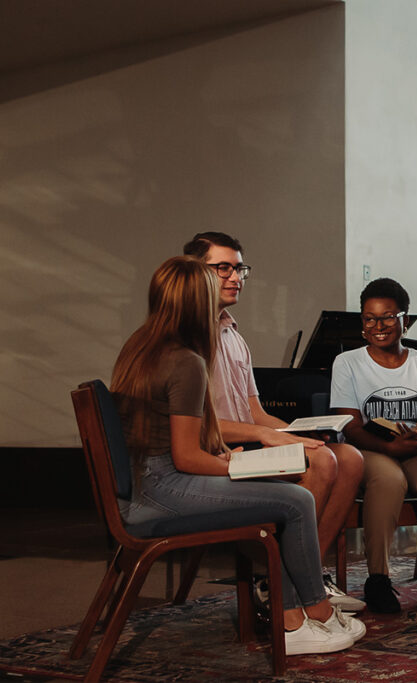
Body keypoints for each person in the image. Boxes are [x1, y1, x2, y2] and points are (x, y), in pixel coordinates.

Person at [111, 257, 365, 655]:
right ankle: (299, 616)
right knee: (295, 499)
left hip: (146, 484)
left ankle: (306, 610)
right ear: (196, 302)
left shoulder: (141, 346)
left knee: (288, 493)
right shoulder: (186, 361)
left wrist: (241, 461)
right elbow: (186, 458)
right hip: (163, 490)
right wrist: (239, 466)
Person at [182, 232, 365, 612]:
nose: (236, 277)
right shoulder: (188, 336)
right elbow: (202, 426)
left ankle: (305, 575)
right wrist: (268, 435)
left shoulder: (233, 333)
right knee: (322, 461)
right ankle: (285, 585)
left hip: (247, 440)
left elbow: (256, 412)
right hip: (218, 452)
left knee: (347, 457)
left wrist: (299, 433)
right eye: (223, 268)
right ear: (196, 272)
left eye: (239, 269)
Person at [329, 278, 417, 613]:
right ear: (362, 323)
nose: (379, 326)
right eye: (369, 319)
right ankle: (378, 579)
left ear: (405, 320)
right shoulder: (347, 363)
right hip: (371, 450)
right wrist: (390, 449)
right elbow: (350, 426)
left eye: (388, 317)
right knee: (389, 479)